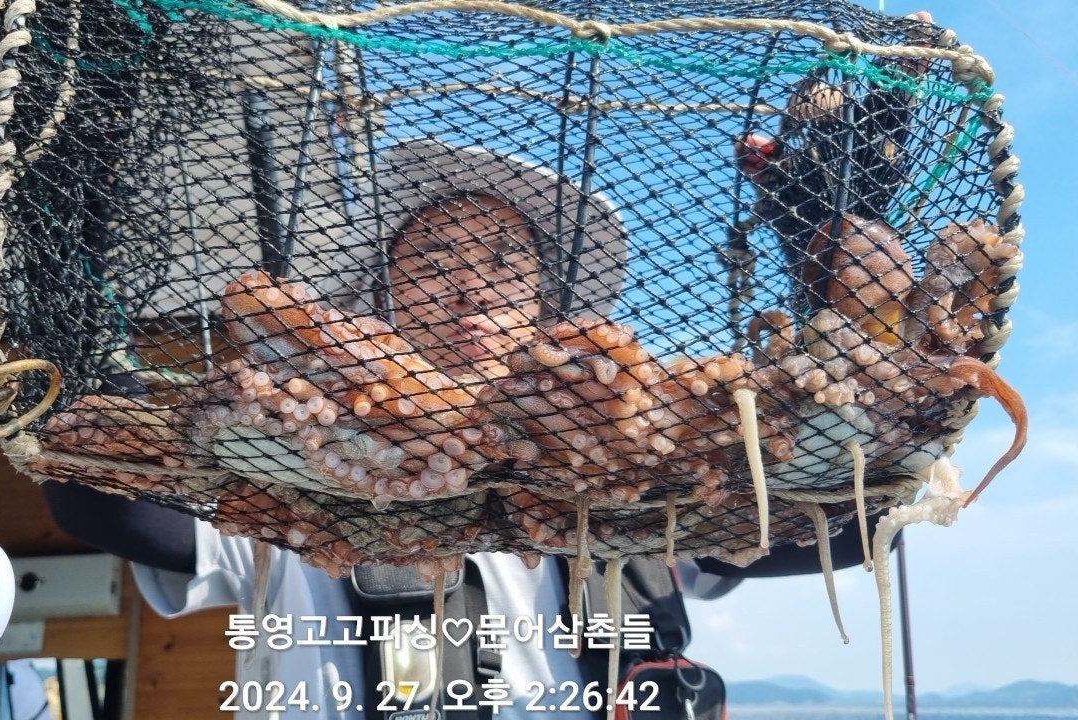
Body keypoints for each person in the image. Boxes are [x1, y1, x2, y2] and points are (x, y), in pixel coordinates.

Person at [42, 138, 873, 719]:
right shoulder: (304, 473)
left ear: (546, 306)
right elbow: (111, 510)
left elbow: (842, 534)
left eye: (505, 267)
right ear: (381, 298)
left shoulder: (636, 493)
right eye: (434, 265)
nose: (471, 292)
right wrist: (74, 284)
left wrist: (820, 239)